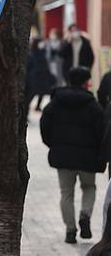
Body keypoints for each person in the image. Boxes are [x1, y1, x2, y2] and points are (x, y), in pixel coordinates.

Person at [40, 67, 106, 244]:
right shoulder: (93, 105)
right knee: (89, 187)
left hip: (63, 156)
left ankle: (70, 230)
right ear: (86, 83)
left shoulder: (55, 102)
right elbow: (102, 131)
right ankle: (85, 215)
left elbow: (44, 124)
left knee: (66, 193)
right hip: (88, 157)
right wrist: (100, 152)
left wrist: (53, 144)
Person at [27, 38, 56, 111]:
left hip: (42, 76)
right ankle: (27, 106)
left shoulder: (41, 52)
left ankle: (37, 106)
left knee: (41, 92)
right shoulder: (33, 52)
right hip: (37, 76)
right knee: (33, 93)